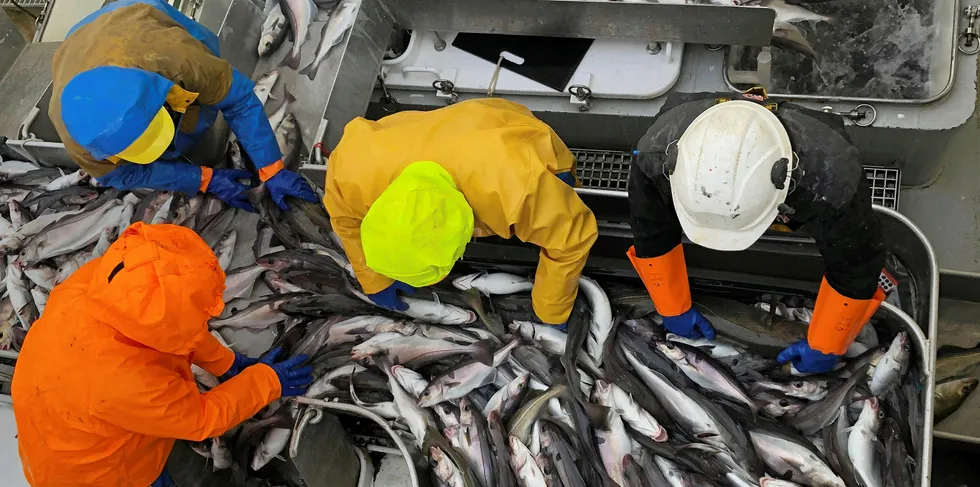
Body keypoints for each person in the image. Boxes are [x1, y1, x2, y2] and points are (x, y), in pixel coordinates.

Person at [11, 222, 314, 487]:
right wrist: (267, 381)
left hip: (58, 425)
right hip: (93, 476)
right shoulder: (129, 382)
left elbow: (171, 326)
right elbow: (202, 418)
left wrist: (227, 361)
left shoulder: (100, 280)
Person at [627, 90, 888, 374]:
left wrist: (828, 342)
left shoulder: (831, 178)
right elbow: (651, 232)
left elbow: (857, 264)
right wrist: (671, 307)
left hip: (809, 148)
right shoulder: (656, 154)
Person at [323, 98, 598, 329]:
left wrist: (551, 309)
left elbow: (572, 237)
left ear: (465, 235)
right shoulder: (351, 170)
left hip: (509, 130)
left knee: (560, 196)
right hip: (454, 133)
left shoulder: (517, 190)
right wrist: (373, 277)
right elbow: (345, 220)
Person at [48, 0, 316, 212]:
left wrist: (271, 168)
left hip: (133, 16)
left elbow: (240, 100)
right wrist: (204, 180)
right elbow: (125, 174)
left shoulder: (177, 58)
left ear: (159, 96)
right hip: (75, 50)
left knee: (210, 76)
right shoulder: (79, 142)